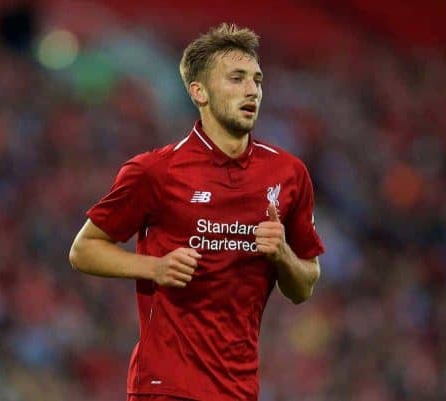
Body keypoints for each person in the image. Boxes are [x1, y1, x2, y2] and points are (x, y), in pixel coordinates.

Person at [69, 23, 324, 401]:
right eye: (236, 79)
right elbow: (83, 249)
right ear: (199, 91)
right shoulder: (155, 171)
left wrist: (282, 254)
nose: (252, 90)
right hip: (165, 386)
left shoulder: (289, 174)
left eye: (257, 80)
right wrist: (154, 267)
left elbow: (304, 286)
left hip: (239, 389)